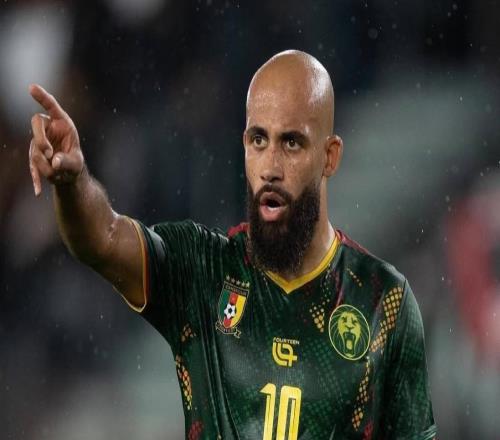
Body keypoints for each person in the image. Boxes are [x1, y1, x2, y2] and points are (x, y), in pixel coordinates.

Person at [28, 50, 437, 439]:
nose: (270, 167)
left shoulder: (384, 301)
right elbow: (102, 239)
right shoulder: (203, 271)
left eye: (291, 143)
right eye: (259, 140)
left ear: (329, 156)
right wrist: (72, 182)